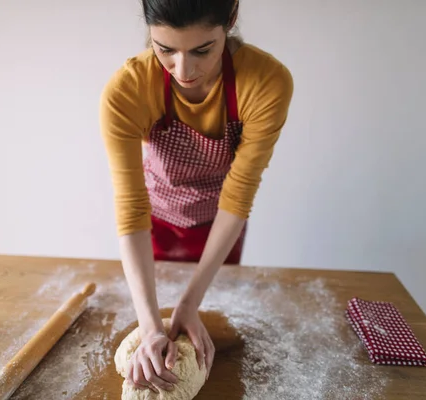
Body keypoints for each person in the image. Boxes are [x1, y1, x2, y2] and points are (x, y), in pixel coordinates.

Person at [100, 0, 293, 394]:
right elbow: (131, 208)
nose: (183, 71)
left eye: (203, 50)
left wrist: (190, 303)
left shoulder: (265, 82)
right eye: (165, 49)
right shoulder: (128, 90)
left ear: (231, 19)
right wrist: (151, 326)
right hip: (152, 227)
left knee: (221, 316)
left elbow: (238, 197)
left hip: (221, 228)